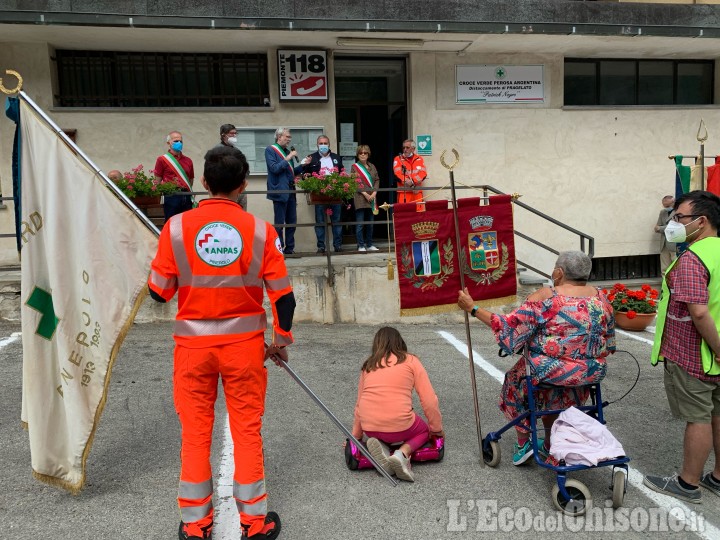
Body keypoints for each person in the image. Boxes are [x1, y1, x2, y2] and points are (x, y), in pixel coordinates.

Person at [148, 145, 295, 540]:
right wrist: (281, 341)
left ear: (203, 182)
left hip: (192, 353)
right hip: (245, 350)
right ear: (244, 185)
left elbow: (159, 293)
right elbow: (284, 297)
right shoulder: (263, 232)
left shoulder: (175, 228)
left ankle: (196, 525)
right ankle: (254, 523)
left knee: (195, 434)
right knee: (247, 430)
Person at [458, 251, 616, 465]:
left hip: (550, 371)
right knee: (555, 388)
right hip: (590, 374)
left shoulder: (545, 297)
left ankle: (524, 442)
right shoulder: (601, 298)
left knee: (515, 381)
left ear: (558, 272)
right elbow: (610, 344)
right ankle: (551, 442)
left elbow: (509, 328)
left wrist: (473, 308)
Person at [644, 190, 720, 504]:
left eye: (680, 218)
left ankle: (687, 484)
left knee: (698, 416)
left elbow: (699, 311)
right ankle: (717, 478)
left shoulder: (693, 258)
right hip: (713, 355)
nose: (675, 223)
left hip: (697, 353)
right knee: (718, 412)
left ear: (701, 221)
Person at [351, 327, 444, 482]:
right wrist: (436, 429)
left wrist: (356, 437)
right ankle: (402, 454)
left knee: (382, 426)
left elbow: (360, 404)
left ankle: (382, 446)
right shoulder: (411, 360)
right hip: (400, 425)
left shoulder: (368, 365)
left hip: (370, 426)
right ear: (400, 342)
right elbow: (429, 400)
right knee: (423, 431)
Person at [302, 134, 344, 253]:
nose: (323, 145)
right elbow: (305, 175)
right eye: (321, 143)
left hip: (335, 194)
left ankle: (338, 245)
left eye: (325, 143)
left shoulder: (336, 157)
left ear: (329, 144)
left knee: (337, 220)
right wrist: (307, 176)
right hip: (319, 195)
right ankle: (321, 247)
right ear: (317, 145)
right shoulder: (312, 158)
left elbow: (342, 173)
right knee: (320, 221)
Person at [265, 127, 304, 257]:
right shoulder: (271, 150)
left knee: (292, 221)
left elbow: (291, 172)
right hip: (279, 191)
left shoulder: (287, 151)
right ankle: (279, 249)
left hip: (291, 190)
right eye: (287, 137)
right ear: (279, 136)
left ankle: (290, 249)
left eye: (289, 137)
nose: (289, 139)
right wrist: (288, 158)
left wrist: (303, 165)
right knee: (279, 223)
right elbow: (274, 168)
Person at [154, 130, 195, 221]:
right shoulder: (162, 160)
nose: (179, 143)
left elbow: (190, 180)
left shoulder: (188, 160)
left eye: (181, 141)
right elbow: (157, 180)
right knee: (171, 222)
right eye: (176, 141)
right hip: (171, 195)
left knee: (187, 221)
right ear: (168, 143)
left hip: (186, 195)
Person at [352, 145, 379, 252]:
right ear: (358, 155)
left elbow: (377, 179)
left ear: (368, 154)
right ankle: (361, 245)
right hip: (360, 197)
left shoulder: (372, 166)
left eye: (365, 153)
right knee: (360, 224)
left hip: (372, 198)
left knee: (370, 224)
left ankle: (369, 244)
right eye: (361, 153)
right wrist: (365, 194)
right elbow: (355, 182)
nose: (363, 154)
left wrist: (374, 193)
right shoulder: (355, 167)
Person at [217, 123, 247, 211]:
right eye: (231, 133)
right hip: (225, 190)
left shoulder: (237, 151)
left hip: (240, 188)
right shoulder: (217, 151)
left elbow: (245, 168)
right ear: (223, 135)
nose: (234, 136)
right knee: (227, 214)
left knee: (242, 214)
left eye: (235, 133)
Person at [392, 139, 427, 206]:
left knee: (419, 214)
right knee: (404, 213)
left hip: (417, 192)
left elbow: (423, 173)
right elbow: (397, 174)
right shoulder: (398, 159)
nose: (405, 149)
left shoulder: (419, 159)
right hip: (404, 193)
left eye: (407, 147)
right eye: (403, 147)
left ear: (413, 149)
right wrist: (407, 181)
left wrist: (413, 181)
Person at [655, 194, 676, 277]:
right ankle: (665, 286)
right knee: (664, 267)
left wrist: (660, 228)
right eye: (664, 205)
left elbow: (675, 226)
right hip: (664, 243)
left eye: (667, 205)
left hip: (675, 242)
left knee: (675, 265)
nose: (665, 207)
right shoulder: (662, 212)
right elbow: (657, 226)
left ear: (673, 202)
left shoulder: (679, 212)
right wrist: (659, 228)